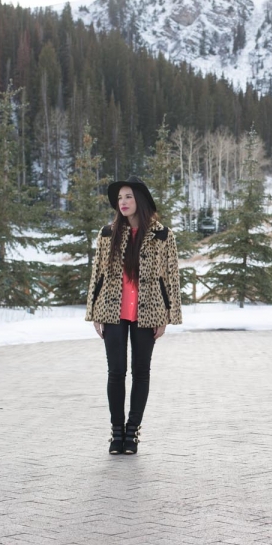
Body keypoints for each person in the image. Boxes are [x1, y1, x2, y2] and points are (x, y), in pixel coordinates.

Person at [85, 175, 182, 454]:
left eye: (128, 196)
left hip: (149, 311)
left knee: (141, 372)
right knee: (116, 371)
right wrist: (94, 311)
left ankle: (132, 432)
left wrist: (167, 315)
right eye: (119, 198)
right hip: (111, 310)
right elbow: (98, 273)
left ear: (139, 199)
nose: (123, 202)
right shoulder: (108, 233)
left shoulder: (162, 235)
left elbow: (171, 277)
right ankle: (116, 432)